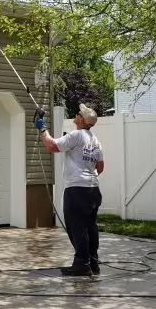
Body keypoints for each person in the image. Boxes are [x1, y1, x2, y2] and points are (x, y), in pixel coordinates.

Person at [35, 104, 105, 276]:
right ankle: (93, 262)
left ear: (81, 120)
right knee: (90, 227)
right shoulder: (95, 141)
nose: (75, 114)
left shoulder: (76, 135)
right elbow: (100, 167)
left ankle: (82, 264)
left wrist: (42, 127)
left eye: (78, 113)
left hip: (77, 190)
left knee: (77, 227)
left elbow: (51, 146)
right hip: (93, 190)